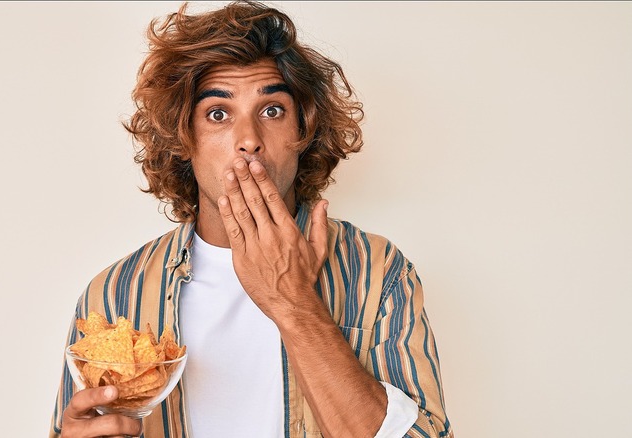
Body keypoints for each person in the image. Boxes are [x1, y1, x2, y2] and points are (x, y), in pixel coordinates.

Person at [50, 2, 452, 437]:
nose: (248, 141)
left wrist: (294, 304)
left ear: (304, 131)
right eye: (218, 114)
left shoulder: (378, 272)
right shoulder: (112, 295)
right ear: (184, 138)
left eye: (272, 110)